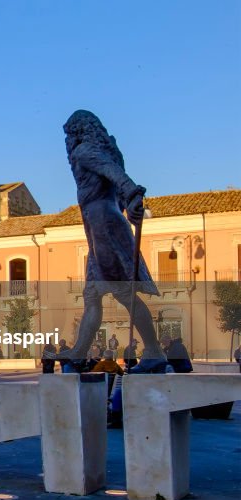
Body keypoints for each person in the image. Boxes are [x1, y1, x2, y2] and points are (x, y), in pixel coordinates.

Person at [60, 111, 165, 371]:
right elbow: (115, 179)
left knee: (122, 292)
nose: (67, 141)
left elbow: (114, 174)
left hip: (103, 223)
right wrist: (129, 205)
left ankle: (153, 351)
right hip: (107, 221)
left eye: (69, 134)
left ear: (76, 131)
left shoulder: (84, 151)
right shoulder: (106, 149)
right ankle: (78, 353)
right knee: (92, 293)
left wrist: (132, 193)